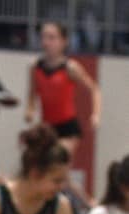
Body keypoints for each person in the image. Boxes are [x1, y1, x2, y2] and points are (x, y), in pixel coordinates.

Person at [25, 22, 101, 163]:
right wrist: (29, 110)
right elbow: (32, 95)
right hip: (47, 128)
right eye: (43, 37)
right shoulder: (35, 67)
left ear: (63, 41)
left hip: (67, 128)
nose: (46, 42)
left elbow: (94, 89)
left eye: (52, 38)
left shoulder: (70, 68)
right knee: (42, 167)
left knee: (57, 162)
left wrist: (96, 114)